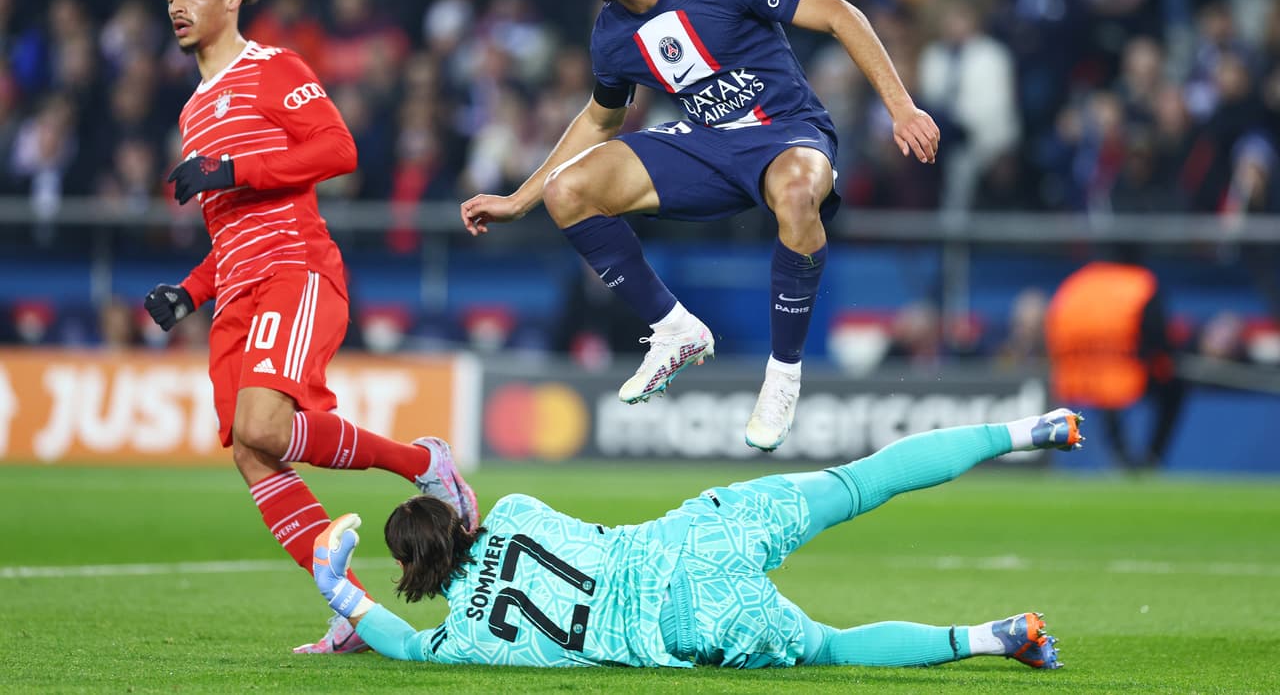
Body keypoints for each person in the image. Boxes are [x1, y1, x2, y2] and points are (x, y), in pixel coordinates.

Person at [460, 0, 939, 452]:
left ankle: (784, 374)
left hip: (787, 132)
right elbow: (599, 120)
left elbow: (839, 13)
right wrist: (519, 198)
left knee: (794, 194)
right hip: (706, 146)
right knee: (569, 192)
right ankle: (674, 332)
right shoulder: (611, 37)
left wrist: (902, 107)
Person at [145, 0, 478, 654]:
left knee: (263, 427)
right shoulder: (195, 109)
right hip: (234, 290)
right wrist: (191, 290)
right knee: (249, 449)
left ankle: (422, 464)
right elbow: (230, 222)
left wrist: (233, 165)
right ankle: (351, 609)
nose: (177, 5)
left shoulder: (274, 68)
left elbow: (338, 149)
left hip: (293, 270)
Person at [309, 409, 1084, 670]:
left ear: (416, 576)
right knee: (858, 482)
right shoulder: (514, 510)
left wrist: (340, 592)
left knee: (832, 648)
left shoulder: (464, 640)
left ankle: (991, 637)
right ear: (455, 523)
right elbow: (465, 509)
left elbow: (404, 646)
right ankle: (1026, 429)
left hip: (692, 622)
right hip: (693, 538)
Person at [1045, 261, 1187, 469]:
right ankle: (1148, 458)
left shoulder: (1078, 283)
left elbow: (1053, 330)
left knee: (1107, 396)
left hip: (1076, 372)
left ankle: (1123, 456)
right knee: (1171, 389)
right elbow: (1156, 335)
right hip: (1125, 372)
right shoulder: (1138, 283)